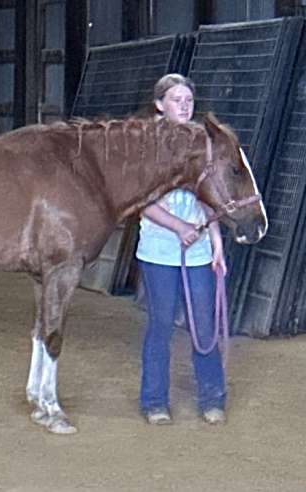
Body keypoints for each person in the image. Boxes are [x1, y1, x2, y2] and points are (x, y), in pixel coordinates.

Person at [136, 73, 227, 425]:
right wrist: (179, 227)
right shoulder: (146, 147)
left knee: (204, 325)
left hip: (199, 252)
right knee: (160, 325)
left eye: (188, 100)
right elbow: (142, 201)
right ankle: (154, 401)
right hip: (159, 252)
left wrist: (216, 241)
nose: (185, 106)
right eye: (177, 100)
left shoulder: (201, 142)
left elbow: (209, 195)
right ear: (160, 104)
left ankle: (212, 397)